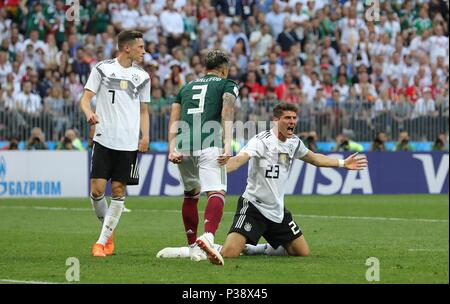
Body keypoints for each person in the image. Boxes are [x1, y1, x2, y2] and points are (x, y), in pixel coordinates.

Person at [158, 103, 368, 265]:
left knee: (301, 252)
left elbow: (314, 158)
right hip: (254, 207)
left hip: (277, 210)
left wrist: (342, 163)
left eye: (294, 118)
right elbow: (240, 160)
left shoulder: (294, 142)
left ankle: (254, 248)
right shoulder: (262, 140)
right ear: (276, 120)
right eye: (287, 118)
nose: (292, 122)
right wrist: (221, 167)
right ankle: (191, 250)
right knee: (230, 254)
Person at [80, 30, 150, 257]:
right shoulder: (102, 69)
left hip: (128, 144)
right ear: (127, 48)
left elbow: (144, 110)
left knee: (119, 191)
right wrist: (89, 113)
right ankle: (107, 232)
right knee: (97, 190)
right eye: (140, 47)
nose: (144, 51)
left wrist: (145, 136)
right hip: (104, 139)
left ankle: (102, 242)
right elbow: (85, 99)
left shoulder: (143, 77)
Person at [167, 49, 238, 264]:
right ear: (224, 69)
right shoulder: (227, 84)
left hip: (183, 145)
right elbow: (226, 111)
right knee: (216, 192)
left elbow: (174, 118)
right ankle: (207, 237)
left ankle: (192, 248)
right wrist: (227, 145)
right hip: (209, 143)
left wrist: (172, 147)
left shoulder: (186, 87)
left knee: (191, 194)